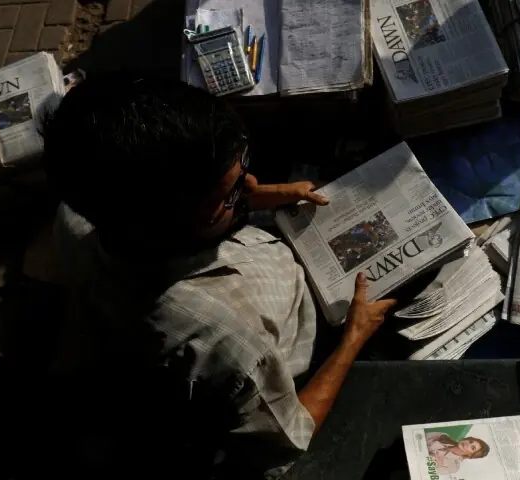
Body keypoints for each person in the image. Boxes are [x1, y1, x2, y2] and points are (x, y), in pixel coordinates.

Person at [41, 72, 397, 478]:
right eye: (228, 195)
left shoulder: (80, 216)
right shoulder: (232, 345)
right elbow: (288, 439)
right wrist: (352, 339)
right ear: (167, 222)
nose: (253, 183)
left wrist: (266, 195)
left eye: (241, 172)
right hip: (295, 352)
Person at [425, 432, 490, 474]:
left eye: (472, 448)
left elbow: (429, 473)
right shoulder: (443, 436)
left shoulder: (454, 467)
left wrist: (438, 463)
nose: (467, 444)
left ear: (470, 455)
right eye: (470, 441)